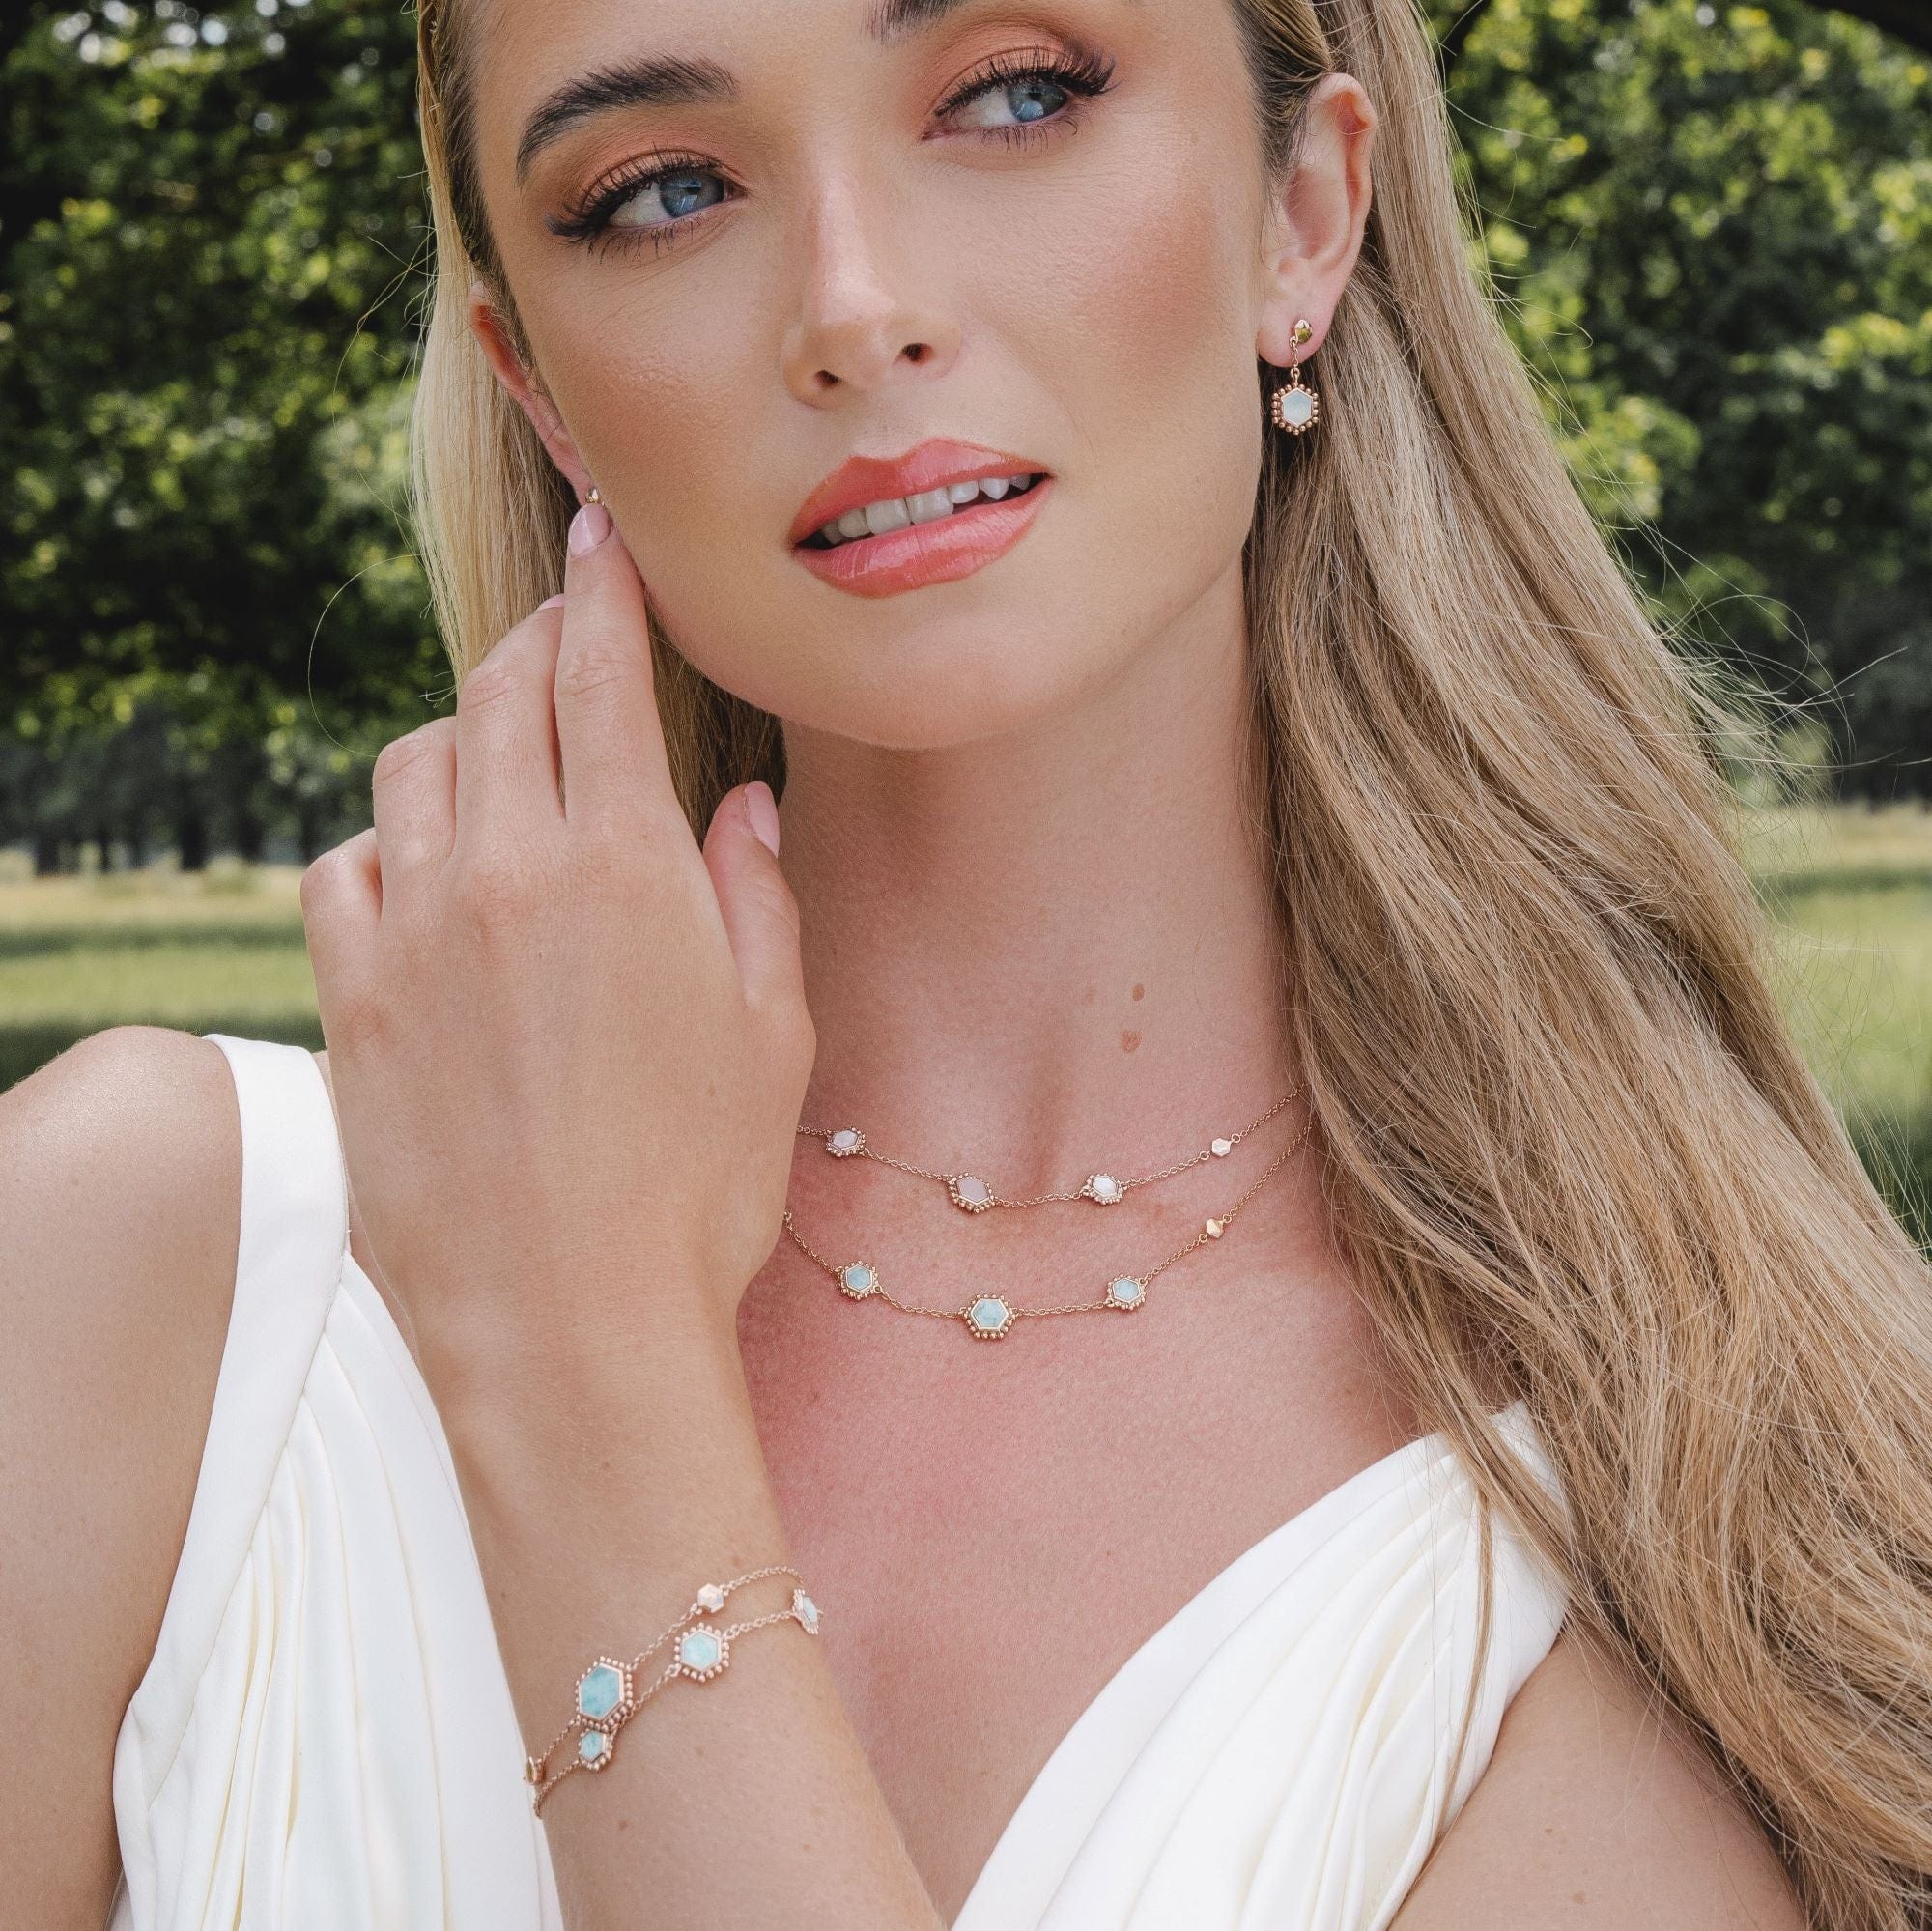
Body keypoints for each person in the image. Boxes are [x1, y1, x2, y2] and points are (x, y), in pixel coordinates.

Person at [6, 0, 1930, 1922]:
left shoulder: (1719, 1479)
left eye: (1013, 95)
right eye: (662, 191)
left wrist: (592, 1383)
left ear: (1305, 212)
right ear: (545, 393)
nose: (856, 308)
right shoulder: (130, 1268)